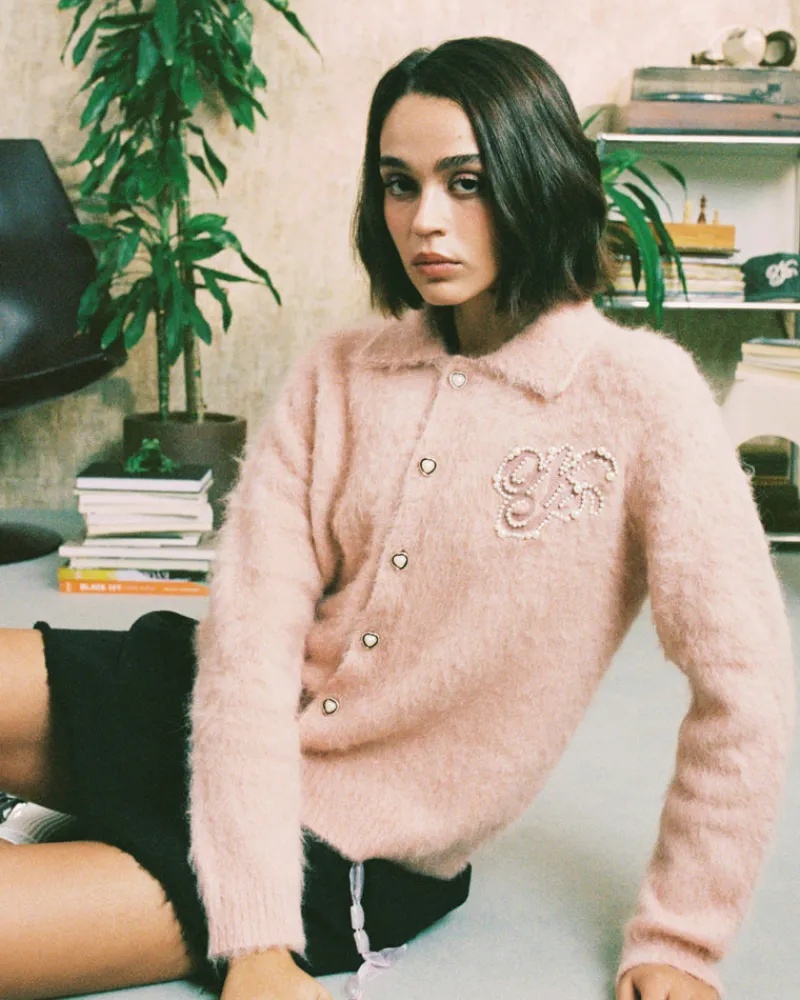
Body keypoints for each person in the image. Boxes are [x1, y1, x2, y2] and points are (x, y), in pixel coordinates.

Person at [0, 35, 794, 1000]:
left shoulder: (646, 398)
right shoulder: (336, 374)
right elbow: (248, 644)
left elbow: (745, 686)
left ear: (538, 179)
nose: (427, 221)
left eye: (467, 182)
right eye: (398, 184)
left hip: (346, 846)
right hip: (209, 714)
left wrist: (680, 939)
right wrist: (250, 927)